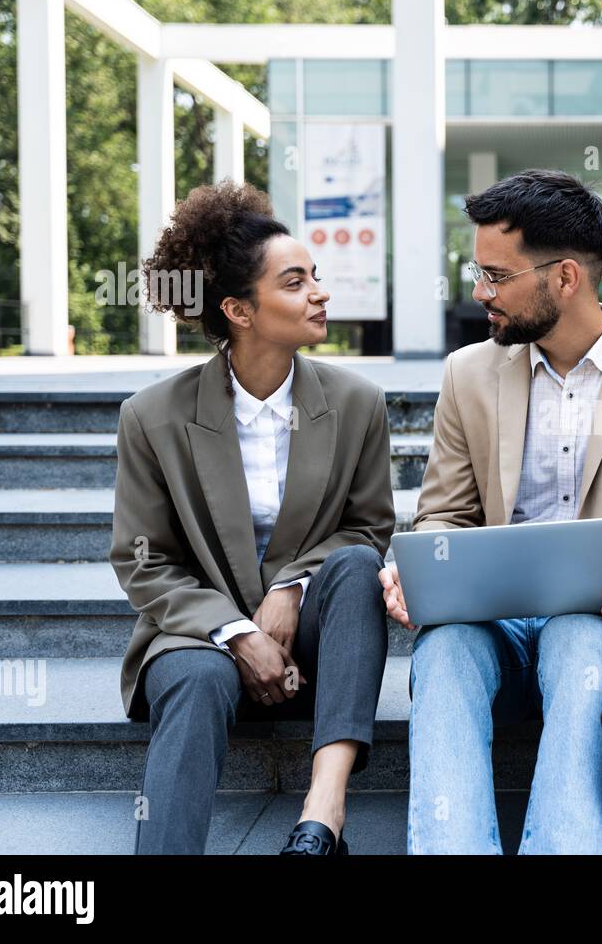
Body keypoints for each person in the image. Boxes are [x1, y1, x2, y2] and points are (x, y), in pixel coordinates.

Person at [378, 169, 602, 854]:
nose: (479, 293)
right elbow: (441, 514)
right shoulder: (468, 373)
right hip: (487, 625)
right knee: (442, 650)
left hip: (599, 629)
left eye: (496, 276)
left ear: (565, 278)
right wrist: (419, 570)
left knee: (579, 638)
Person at [111, 181, 395, 855]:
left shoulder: (357, 403)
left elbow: (368, 527)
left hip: (319, 642)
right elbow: (142, 559)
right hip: (196, 634)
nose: (320, 294)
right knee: (201, 677)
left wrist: (291, 588)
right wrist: (237, 631)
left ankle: (322, 821)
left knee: (356, 566)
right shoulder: (153, 416)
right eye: (296, 283)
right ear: (239, 308)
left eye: (316, 278)